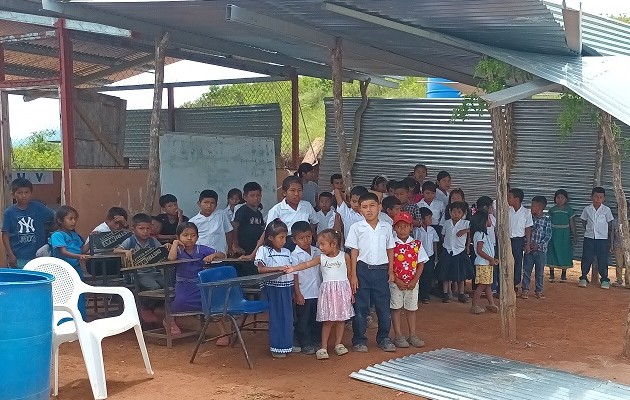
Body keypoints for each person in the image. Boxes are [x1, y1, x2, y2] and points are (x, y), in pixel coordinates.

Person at [287, 229, 354, 360]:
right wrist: (293, 268)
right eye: (319, 244)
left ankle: (338, 344)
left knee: (341, 319)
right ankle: (323, 347)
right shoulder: (320, 258)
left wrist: (351, 292)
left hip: (342, 291)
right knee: (328, 321)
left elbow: (350, 275)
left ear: (333, 244)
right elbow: (306, 264)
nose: (320, 247)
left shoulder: (345, 256)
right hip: (328, 293)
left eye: (323, 244)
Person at [345, 192, 396, 353]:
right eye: (364, 207)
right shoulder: (356, 227)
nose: (369, 210)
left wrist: (391, 270)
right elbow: (354, 251)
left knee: (383, 307)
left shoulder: (386, 227)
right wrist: (353, 274)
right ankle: (359, 340)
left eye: (372, 206)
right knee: (360, 307)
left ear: (379, 207)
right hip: (362, 270)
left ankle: (384, 338)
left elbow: (390, 249)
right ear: (359, 210)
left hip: (381, 271)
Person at [166, 222, 225, 336]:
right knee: (179, 302)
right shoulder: (177, 250)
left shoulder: (201, 249)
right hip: (183, 285)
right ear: (178, 237)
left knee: (211, 303)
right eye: (185, 235)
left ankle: (223, 333)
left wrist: (213, 256)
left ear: (197, 237)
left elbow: (222, 255)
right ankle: (169, 321)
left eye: (193, 235)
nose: (189, 238)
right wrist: (175, 243)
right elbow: (171, 258)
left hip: (200, 284)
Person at [254, 219, 296, 358]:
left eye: (285, 237)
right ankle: (277, 346)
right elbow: (261, 269)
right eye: (281, 237)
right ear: (271, 237)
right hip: (274, 288)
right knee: (277, 317)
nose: (284, 241)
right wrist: (277, 268)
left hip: (287, 287)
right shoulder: (264, 250)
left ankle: (287, 344)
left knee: (288, 317)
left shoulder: (287, 251)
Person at [114, 213, 166, 323]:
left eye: (148, 228)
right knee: (154, 287)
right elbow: (116, 250)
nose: (145, 231)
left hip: (153, 272)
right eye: (141, 228)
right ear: (133, 229)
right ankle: (145, 308)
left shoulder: (152, 241)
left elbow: (161, 251)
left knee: (167, 286)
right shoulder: (131, 241)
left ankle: (155, 310)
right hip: (137, 274)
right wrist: (125, 251)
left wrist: (167, 247)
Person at [389, 212, 427, 348]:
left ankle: (412, 335)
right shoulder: (391, 245)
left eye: (405, 226)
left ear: (411, 227)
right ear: (394, 228)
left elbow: (421, 263)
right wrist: (397, 280)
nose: (402, 229)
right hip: (395, 283)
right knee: (396, 308)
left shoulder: (416, 244)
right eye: (399, 227)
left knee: (411, 308)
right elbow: (389, 264)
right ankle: (398, 335)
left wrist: (415, 281)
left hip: (412, 283)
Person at [255, 176, 318, 253]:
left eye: (300, 190)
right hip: (286, 244)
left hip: (305, 243)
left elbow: (314, 222)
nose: (296, 194)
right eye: (292, 190)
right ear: (284, 192)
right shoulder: (277, 210)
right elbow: (268, 231)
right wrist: (255, 252)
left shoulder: (307, 206)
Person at [2, 178, 54, 268]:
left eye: (26, 192)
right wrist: (10, 254)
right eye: (20, 193)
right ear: (13, 195)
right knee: (20, 280)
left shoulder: (39, 208)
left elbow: (56, 216)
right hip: (18, 256)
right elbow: (5, 234)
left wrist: (50, 230)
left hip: (38, 255)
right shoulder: (9, 212)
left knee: (37, 279)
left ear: (31, 193)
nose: (24, 196)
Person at [50, 205, 89, 319]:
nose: (74, 221)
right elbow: (63, 252)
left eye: (75, 219)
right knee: (66, 295)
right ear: (60, 220)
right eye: (70, 219)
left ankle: (80, 319)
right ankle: (66, 320)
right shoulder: (57, 235)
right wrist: (79, 256)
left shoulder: (75, 235)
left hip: (76, 269)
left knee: (79, 293)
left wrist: (91, 239)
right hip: (63, 271)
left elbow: (82, 249)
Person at [290, 221, 322, 355]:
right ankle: (305, 342)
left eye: (308, 236)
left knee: (317, 318)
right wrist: (298, 294)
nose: (306, 240)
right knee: (303, 320)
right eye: (301, 238)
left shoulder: (317, 251)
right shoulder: (294, 255)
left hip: (318, 291)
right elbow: (295, 276)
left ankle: (316, 341)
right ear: (294, 240)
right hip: (304, 293)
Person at [579, 187, 614, 289]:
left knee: (602, 259)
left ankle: (604, 279)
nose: (598, 198)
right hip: (589, 237)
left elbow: (610, 224)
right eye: (596, 196)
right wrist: (589, 230)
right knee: (587, 257)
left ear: (604, 198)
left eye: (600, 197)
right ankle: (584, 278)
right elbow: (584, 221)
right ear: (591, 197)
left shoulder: (606, 210)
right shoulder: (587, 209)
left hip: (602, 239)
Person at [439, 202, 471, 303]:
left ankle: (461, 294)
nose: (456, 214)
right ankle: (445, 294)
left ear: (463, 213)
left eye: (459, 212)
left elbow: (474, 229)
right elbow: (443, 235)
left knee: (460, 275)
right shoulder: (446, 223)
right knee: (445, 273)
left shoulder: (466, 223)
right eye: (454, 212)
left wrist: (465, 231)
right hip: (447, 250)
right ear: (450, 212)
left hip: (459, 251)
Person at [521, 196, 552, 299]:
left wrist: (539, 245)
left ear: (539, 207)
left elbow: (548, 235)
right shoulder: (530, 218)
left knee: (540, 272)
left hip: (541, 251)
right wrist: (527, 244)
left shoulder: (546, 220)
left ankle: (538, 290)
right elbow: (525, 232)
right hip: (529, 250)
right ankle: (525, 290)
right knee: (526, 270)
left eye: (533, 205)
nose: (531, 208)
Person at [469, 210, 499, 314]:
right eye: (489, 218)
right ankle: (474, 305)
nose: (491, 220)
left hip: (486, 263)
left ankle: (491, 303)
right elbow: (479, 250)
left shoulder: (483, 234)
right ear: (484, 221)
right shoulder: (480, 234)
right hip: (483, 263)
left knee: (487, 285)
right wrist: (491, 259)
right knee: (482, 285)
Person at [189, 190, 233, 255]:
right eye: (206, 202)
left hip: (220, 253)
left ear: (216, 205)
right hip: (200, 256)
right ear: (199, 203)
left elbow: (228, 231)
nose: (209, 206)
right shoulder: (193, 221)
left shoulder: (221, 214)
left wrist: (230, 248)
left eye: (212, 203)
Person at [547, 189, 576, 283]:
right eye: (558, 197)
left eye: (562, 198)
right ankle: (551, 274)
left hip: (564, 234)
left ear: (566, 199)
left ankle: (563, 274)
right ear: (555, 199)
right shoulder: (552, 210)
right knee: (552, 252)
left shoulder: (569, 210)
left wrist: (574, 234)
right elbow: (548, 222)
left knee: (564, 252)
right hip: (553, 233)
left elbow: (572, 223)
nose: (560, 200)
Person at [508, 188, 533, 293]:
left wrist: (527, 244)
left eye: (510, 197)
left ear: (517, 199)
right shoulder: (507, 211)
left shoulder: (526, 212)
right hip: (507, 239)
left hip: (518, 240)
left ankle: (514, 283)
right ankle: (504, 284)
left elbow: (528, 229)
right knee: (505, 262)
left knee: (517, 262)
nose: (507, 199)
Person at [232, 182, 265, 257]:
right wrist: (236, 246)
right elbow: (235, 227)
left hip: (255, 249)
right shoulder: (242, 211)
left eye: (258, 195)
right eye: (252, 196)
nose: (256, 198)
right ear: (245, 197)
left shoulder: (259, 213)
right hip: (243, 250)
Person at [416, 207, 439, 304]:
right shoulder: (417, 230)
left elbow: (435, 242)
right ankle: (417, 295)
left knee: (428, 275)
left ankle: (425, 295)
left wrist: (436, 256)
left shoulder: (432, 229)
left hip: (430, 255)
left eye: (431, 217)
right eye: (428, 217)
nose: (431, 220)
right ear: (421, 219)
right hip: (420, 257)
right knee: (419, 275)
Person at [612, 216, 629, 287]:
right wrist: (612, 245)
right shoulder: (615, 222)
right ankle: (619, 281)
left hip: (628, 246)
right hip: (617, 245)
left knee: (628, 265)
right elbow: (612, 234)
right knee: (619, 264)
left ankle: (628, 282)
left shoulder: (628, 221)